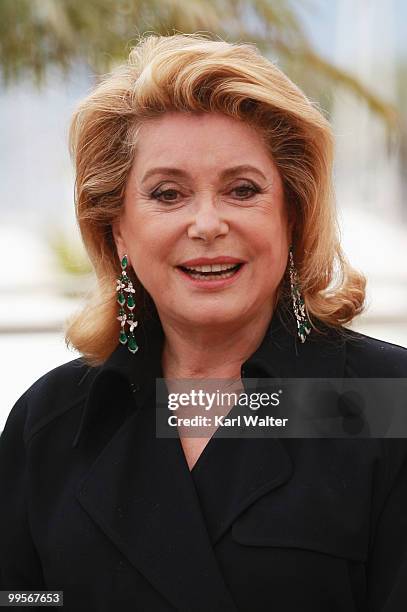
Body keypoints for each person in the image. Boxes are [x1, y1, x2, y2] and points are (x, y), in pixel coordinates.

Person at [1, 32, 407, 612]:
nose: (207, 223)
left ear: (292, 215)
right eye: (168, 194)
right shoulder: (50, 424)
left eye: (243, 190)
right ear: (117, 227)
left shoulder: (386, 403)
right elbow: (23, 597)